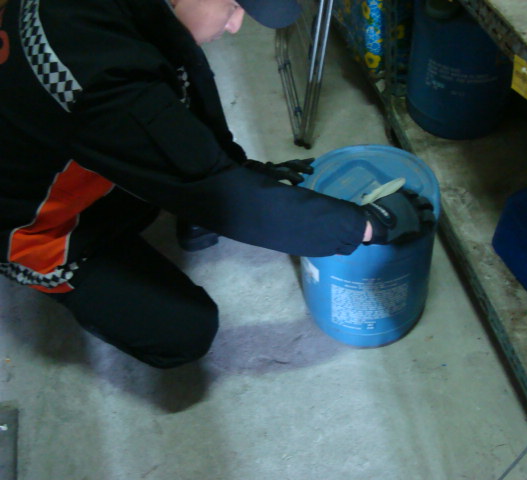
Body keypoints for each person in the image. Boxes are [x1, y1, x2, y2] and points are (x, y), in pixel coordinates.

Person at [0, 0, 433, 368]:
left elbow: (185, 78)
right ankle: (65, 278)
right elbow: (223, 198)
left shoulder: (130, 18)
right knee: (182, 331)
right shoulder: (98, 77)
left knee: (176, 159)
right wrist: (366, 225)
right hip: (29, 225)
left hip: (54, 148)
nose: (235, 25)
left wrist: (242, 169)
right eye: (233, 6)